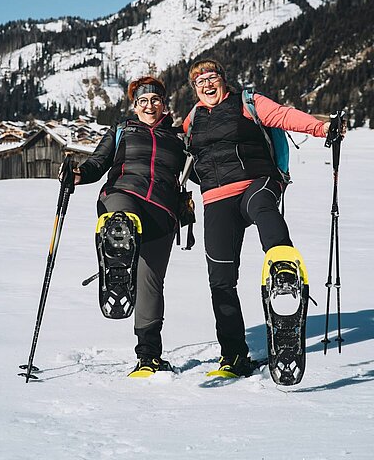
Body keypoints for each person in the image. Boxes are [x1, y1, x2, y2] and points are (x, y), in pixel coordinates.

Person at [183, 59, 332, 377]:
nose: (207, 84)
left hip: (257, 181)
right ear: (194, 89)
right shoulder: (193, 118)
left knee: (263, 207)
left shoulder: (249, 103)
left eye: (212, 77)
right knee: (220, 281)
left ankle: (282, 264)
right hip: (215, 199)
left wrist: (323, 127)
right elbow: (174, 147)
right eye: (200, 81)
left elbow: (284, 116)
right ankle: (234, 357)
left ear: (223, 79)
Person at [73, 76, 185, 376]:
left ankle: (148, 356)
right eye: (143, 101)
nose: (150, 105)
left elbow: (202, 172)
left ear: (164, 104)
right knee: (121, 218)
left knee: (150, 283)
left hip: (162, 210)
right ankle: (117, 254)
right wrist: (79, 174)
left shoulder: (179, 138)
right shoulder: (122, 130)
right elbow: (98, 162)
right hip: (123, 193)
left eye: (155, 100)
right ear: (135, 106)